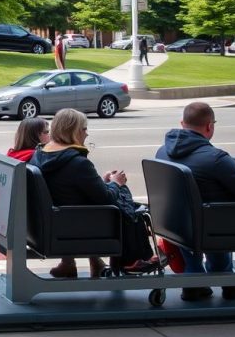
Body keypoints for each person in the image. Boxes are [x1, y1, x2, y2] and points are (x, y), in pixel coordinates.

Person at [31, 108, 153, 278]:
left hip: (56, 223)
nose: (87, 134)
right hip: (81, 226)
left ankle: (89, 263)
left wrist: (103, 183)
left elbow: (70, 191)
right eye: (84, 129)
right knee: (125, 200)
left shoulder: (39, 155)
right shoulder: (78, 163)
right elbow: (107, 198)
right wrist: (116, 183)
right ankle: (133, 259)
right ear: (73, 131)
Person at [155, 102, 235, 301]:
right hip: (210, 228)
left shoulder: (162, 152)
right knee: (225, 215)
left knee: (200, 214)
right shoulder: (216, 158)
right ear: (209, 126)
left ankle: (195, 280)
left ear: (182, 123)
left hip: (175, 227)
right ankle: (226, 279)